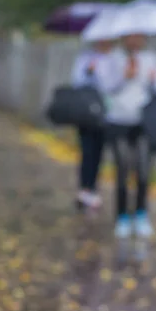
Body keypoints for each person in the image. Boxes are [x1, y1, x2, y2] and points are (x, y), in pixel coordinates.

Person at [93, 34, 156, 261]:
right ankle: (122, 217)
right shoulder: (113, 59)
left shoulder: (151, 58)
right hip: (118, 120)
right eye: (131, 37)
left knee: (143, 170)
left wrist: (154, 80)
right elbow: (105, 87)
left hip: (142, 121)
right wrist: (125, 77)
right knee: (123, 168)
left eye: (139, 37)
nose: (135, 41)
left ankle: (141, 215)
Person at [70, 39, 115, 211]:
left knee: (99, 152)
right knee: (86, 151)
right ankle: (84, 188)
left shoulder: (114, 60)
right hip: (86, 113)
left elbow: (111, 86)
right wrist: (89, 71)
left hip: (105, 113)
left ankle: (94, 188)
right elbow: (77, 82)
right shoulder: (85, 58)